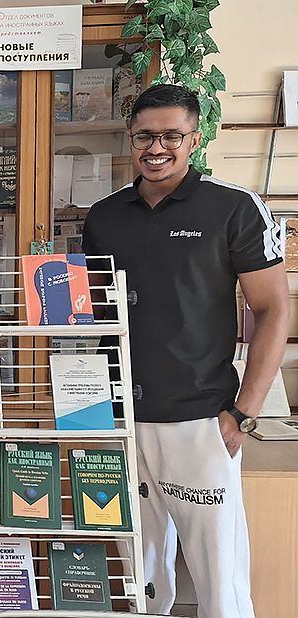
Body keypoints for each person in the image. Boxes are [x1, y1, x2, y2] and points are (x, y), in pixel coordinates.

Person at [82, 84, 289, 618]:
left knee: (219, 575)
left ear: (194, 139)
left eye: (171, 136)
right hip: (117, 419)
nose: (156, 148)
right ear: (130, 139)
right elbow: (92, 315)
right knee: (136, 571)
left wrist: (242, 413)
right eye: (144, 136)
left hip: (202, 419)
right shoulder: (103, 217)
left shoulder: (234, 208)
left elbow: (272, 310)